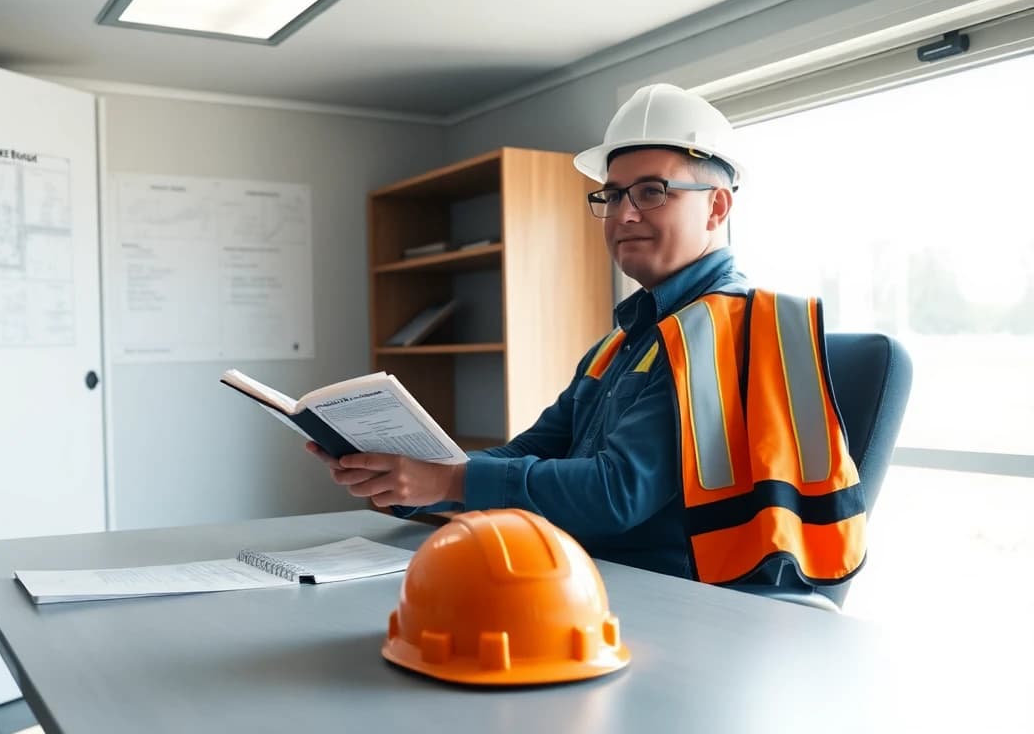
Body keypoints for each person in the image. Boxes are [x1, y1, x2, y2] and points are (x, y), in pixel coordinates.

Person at [309, 84, 865, 587]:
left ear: (716, 207)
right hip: (597, 579)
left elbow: (617, 491)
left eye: (651, 192)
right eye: (613, 195)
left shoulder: (722, 331)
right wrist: (410, 478)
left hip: (689, 598)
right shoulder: (622, 342)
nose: (622, 215)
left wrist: (450, 481)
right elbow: (536, 449)